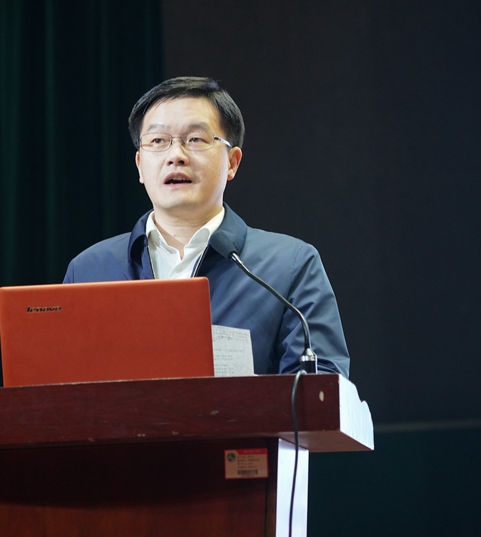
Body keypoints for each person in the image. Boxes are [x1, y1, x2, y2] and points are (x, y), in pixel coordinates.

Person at [63, 77, 349, 377]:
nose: (176, 156)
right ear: (139, 165)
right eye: (158, 141)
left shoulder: (289, 266)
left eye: (196, 139)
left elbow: (321, 386)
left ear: (232, 162)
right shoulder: (88, 271)